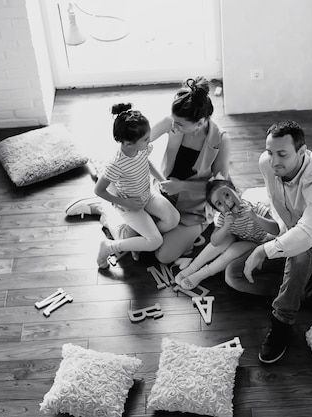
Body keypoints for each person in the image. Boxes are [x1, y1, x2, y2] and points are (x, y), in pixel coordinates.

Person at [224, 120, 312, 364]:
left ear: (302, 152)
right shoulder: (268, 165)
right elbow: (280, 208)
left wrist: (265, 250)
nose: (274, 161)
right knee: (234, 274)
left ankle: (282, 320)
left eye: (282, 154)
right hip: (296, 238)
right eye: (270, 152)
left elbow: (307, 234)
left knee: (300, 244)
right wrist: (273, 237)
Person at [65, 77, 230, 264]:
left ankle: (138, 241)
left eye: (179, 125)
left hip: (194, 208)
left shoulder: (221, 139)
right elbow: (136, 143)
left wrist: (182, 186)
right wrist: (118, 189)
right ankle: (104, 209)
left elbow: (221, 187)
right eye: (173, 121)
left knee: (163, 255)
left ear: (199, 123)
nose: (173, 126)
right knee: (144, 239)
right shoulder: (174, 121)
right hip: (157, 194)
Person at [94, 103, 180, 268]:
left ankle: (138, 242)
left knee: (173, 219)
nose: (149, 141)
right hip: (130, 205)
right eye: (146, 139)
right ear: (127, 144)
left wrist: (162, 180)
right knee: (155, 241)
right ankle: (109, 246)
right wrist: (126, 203)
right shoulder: (116, 164)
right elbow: (98, 190)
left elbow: (146, 162)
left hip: (148, 195)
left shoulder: (142, 149)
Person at [174, 177, 279, 290]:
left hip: (256, 243)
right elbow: (214, 242)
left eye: (227, 195)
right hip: (237, 237)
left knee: (233, 250)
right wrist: (225, 227)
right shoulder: (223, 217)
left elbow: (276, 230)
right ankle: (192, 267)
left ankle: (201, 274)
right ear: (217, 210)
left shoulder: (255, 208)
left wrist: (255, 216)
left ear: (237, 191)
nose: (227, 202)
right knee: (223, 238)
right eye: (219, 203)